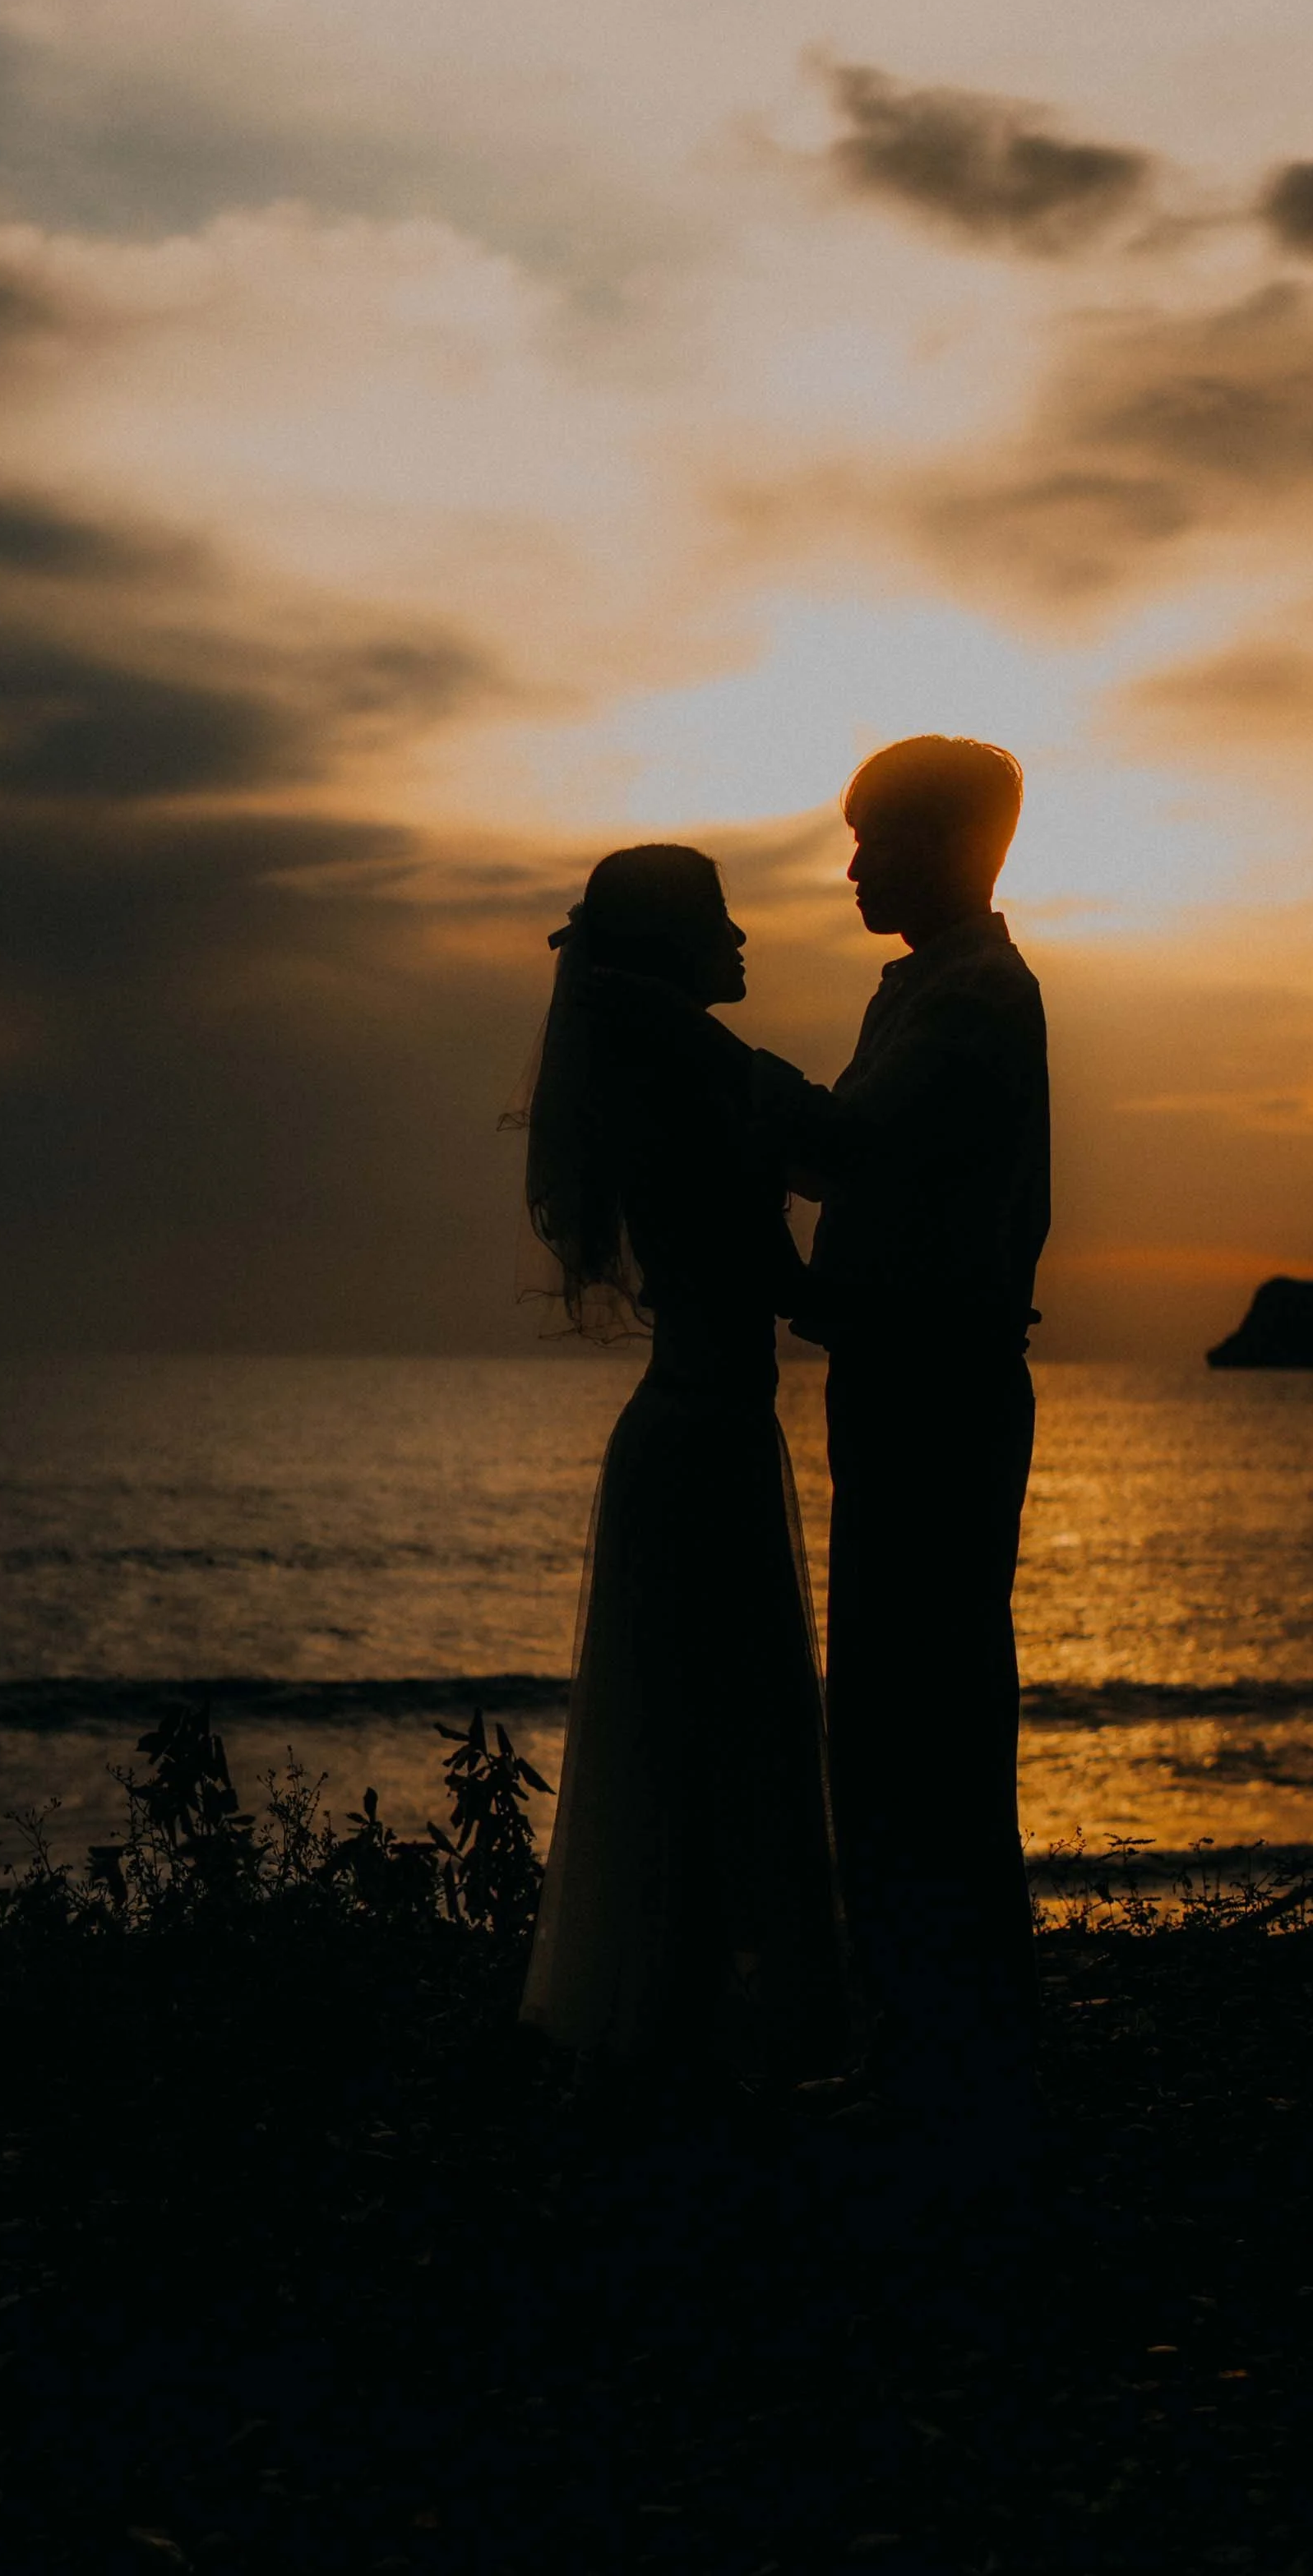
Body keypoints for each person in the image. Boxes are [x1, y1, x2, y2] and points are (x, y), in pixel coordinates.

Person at [514, 843, 850, 2096]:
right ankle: (714, 2026)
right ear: (675, 949)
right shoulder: (688, 1101)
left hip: (697, 1427)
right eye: (723, 919)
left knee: (692, 1727)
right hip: (704, 1437)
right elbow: (782, 1281)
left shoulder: (674, 1082)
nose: (747, 939)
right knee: (727, 1730)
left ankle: (680, 2011)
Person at [747, 736, 1049, 2122]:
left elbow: (848, 1152)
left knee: (906, 1710)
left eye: (873, 838)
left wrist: (708, 1075)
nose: (852, 864)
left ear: (952, 847)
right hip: (911, 1387)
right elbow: (851, 1166)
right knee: (913, 1701)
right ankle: (948, 2023)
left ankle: (943, 2041)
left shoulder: (972, 1003)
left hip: (937, 1396)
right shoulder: (935, 994)